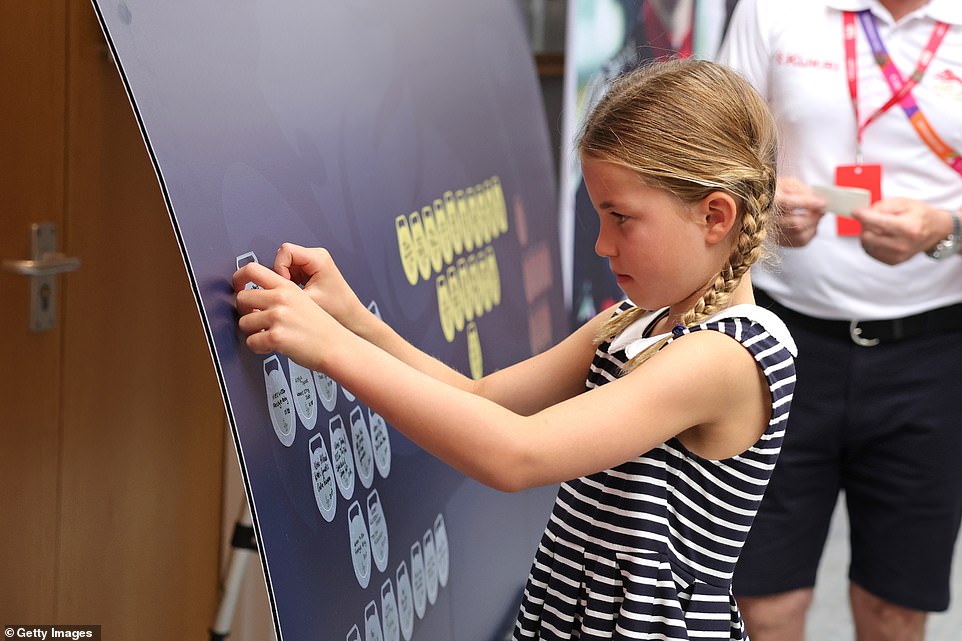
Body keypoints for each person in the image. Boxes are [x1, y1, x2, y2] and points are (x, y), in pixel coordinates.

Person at [233, 58, 797, 641]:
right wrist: (351, 321)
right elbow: (485, 399)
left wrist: (331, 351)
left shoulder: (726, 356)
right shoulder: (635, 323)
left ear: (715, 215)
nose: (602, 244)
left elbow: (516, 453)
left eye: (621, 219)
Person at [717, 2, 962, 640]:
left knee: (894, 612)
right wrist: (760, 210)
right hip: (779, 344)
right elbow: (715, 148)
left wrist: (949, 230)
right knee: (764, 606)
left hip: (934, 352)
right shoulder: (774, 10)